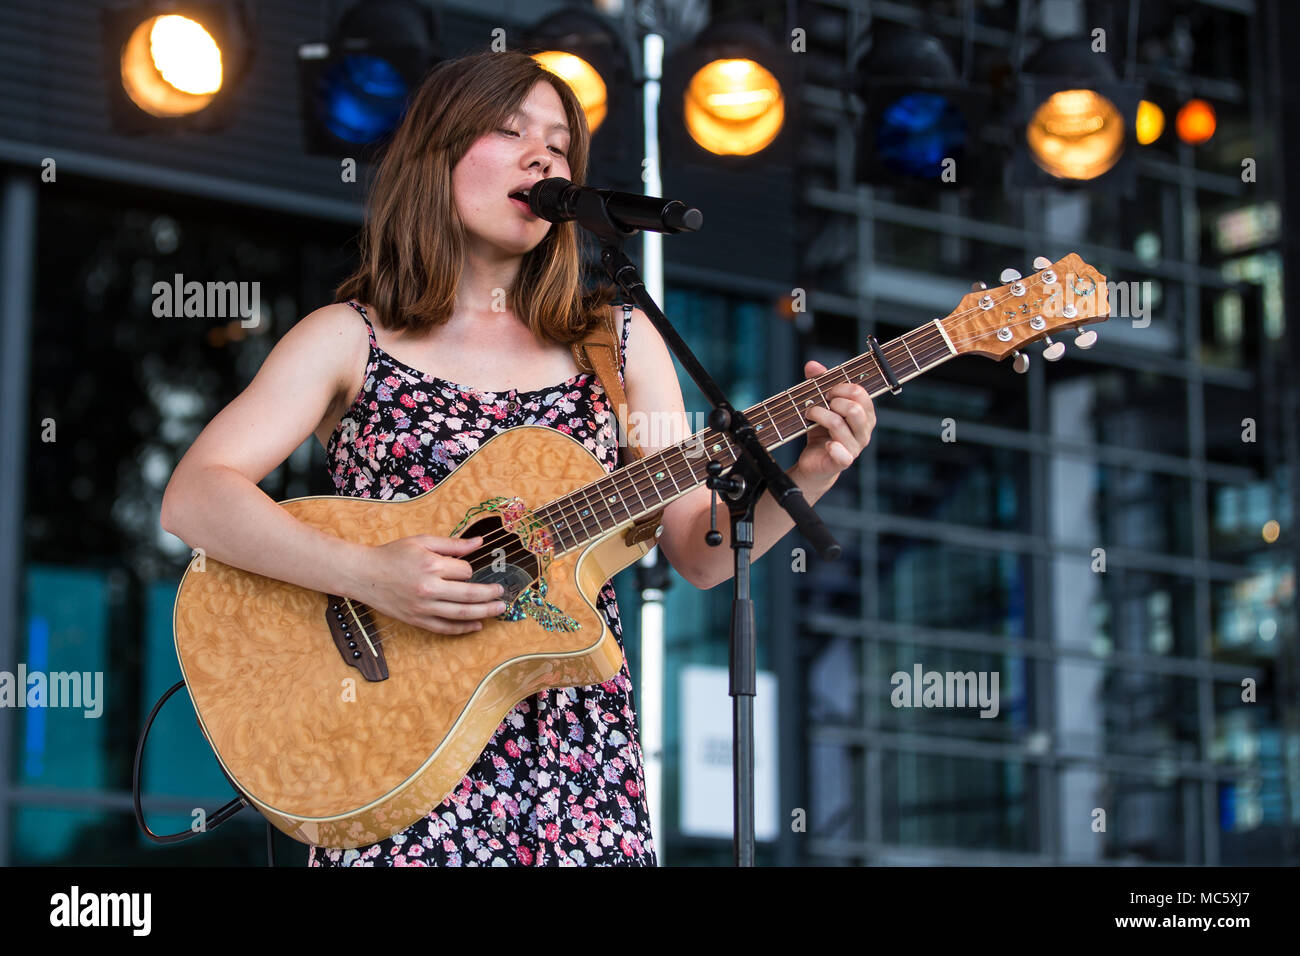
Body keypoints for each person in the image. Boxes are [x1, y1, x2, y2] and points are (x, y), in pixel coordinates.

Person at [159, 49, 876, 867]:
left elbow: (698, 551)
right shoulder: (348, 338)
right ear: (437, 155)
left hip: (578, 764)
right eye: (510, 132)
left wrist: (813, 469)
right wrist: (368, 574)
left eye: (561, 147)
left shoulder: (618, 341)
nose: (544, 158)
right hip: (393, 749)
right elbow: (194, 498)